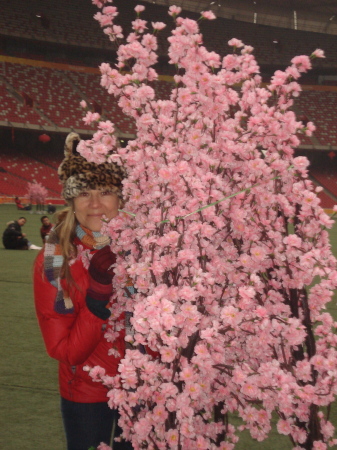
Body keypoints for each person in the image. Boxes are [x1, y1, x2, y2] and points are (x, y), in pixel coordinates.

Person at [33, 133, 132, 450]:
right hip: (87, 394)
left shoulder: (148, 248)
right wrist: (97, 299)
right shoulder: (54, 256)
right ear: (71, 199)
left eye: (105, 191)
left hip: (147, 391)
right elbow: (64, 350)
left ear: (121, 198)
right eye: (84, 192)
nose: (94, 203)